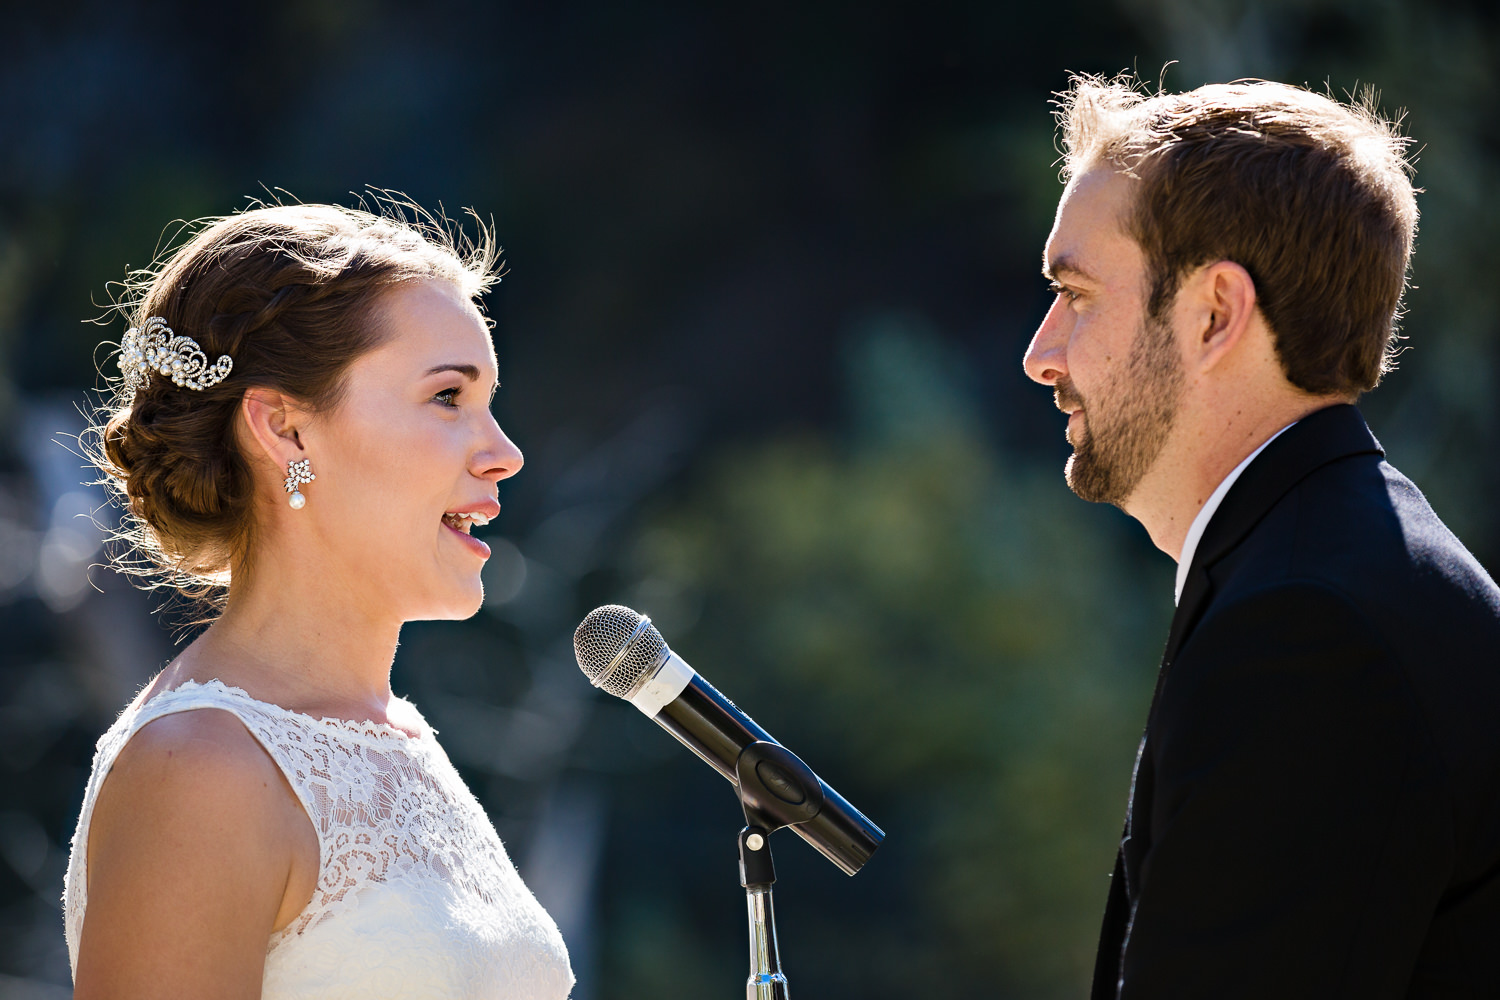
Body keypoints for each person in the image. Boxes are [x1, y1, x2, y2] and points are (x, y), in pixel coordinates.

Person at [1022, 75, 1500, 998]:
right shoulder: (1337, 572)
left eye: (1076, 294)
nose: (1042, 352)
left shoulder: (1307, 632)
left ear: (1214, 314)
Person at [64, 202, 574, 999]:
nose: (504, 454)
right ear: (285, 430)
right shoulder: (201, 767)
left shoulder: (401, 739)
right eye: (448, 397)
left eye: (490, 401)